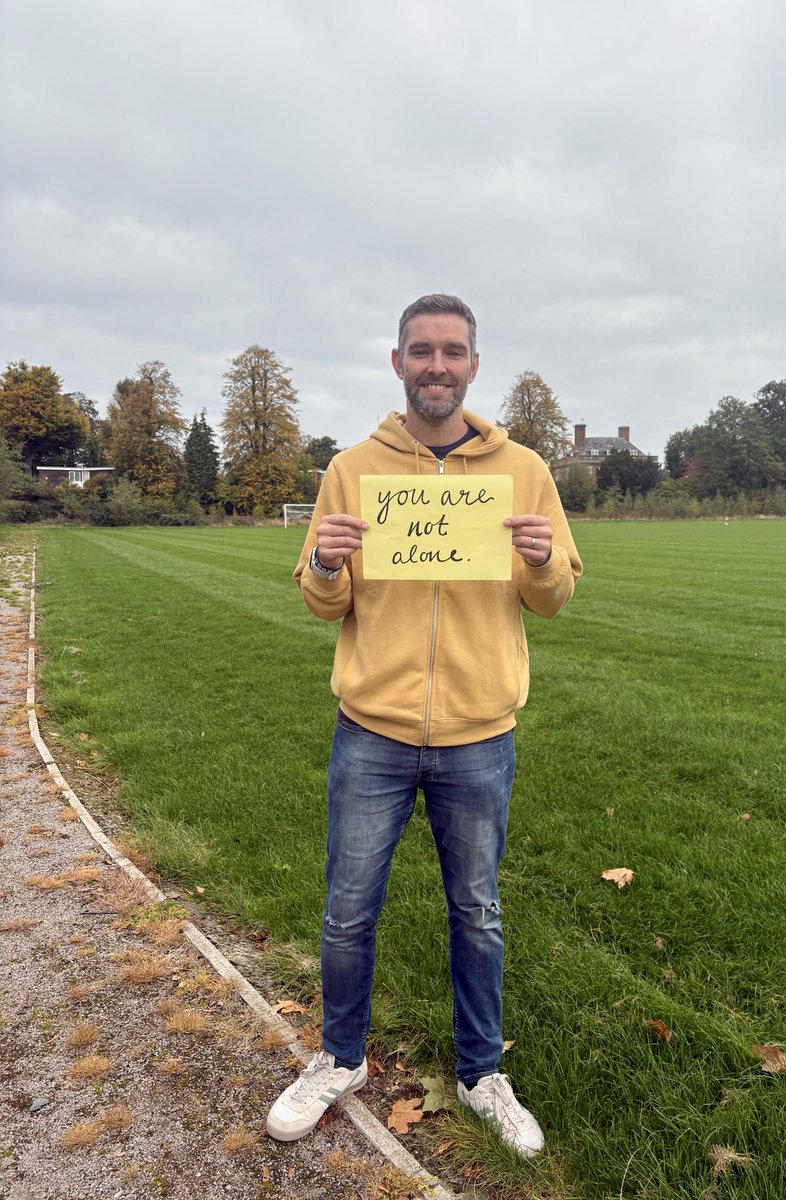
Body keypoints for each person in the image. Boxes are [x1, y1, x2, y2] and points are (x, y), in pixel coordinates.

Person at [267, 294, 582, 1158]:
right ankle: (339, 1058)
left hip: (479, 735)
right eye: (421, 350)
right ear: (397, 361)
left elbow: (555, 598)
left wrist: (542, 561)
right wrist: (325, 561)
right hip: (371, 731)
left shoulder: (523, 469)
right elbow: (322, 599)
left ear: (474, 365)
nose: (436, 365)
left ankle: (482, 1073)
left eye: (452, 351)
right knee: (346, 913)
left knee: (476, 912)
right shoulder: (352, 469)